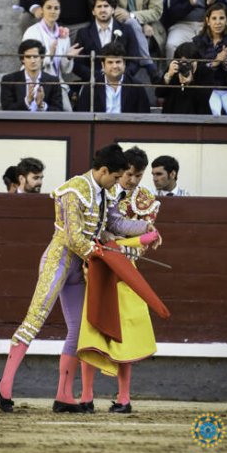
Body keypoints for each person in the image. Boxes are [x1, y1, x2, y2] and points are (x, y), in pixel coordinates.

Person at [0, 143, 153, 413]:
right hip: (59, 260)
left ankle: (64, 396)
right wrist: (100, 251)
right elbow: (73, 236)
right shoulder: (73, 189)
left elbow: (113, 223)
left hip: (81, 266)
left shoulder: (107, 190)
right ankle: (4, 385)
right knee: (35, 319)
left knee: (79, 330)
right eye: (115, 177)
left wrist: (144, 227)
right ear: (103, 170)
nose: (118, 183)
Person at [78, 146, 161, 414]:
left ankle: (124, 398)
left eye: (139, 175)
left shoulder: (147, 201)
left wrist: (130, 240)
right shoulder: (104, 190)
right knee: (92, 329)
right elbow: (98, 229)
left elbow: (136, 245)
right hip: (100, 268)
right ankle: (86, 396)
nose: (132, 180)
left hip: (126, 271)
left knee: (126, 335)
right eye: (128, 174)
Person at [23, 0, 83, 111]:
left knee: (68, 113)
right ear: (42, 10)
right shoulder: (32, 31)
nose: (53, 11)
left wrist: (68, 57)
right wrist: (49, 56)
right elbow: (28, 61)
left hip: (57, 83)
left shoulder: (63, 35)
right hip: (35, 81)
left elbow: (65, 70)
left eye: (56, 8)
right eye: (49, 7)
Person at [73, 0, 140, 82]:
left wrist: (120, 76)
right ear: (93, 11)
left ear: (112, 10)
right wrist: (96, 77)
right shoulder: (83, 33)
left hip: (122, 82)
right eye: (99, 6)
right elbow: (78, 64)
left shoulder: (126, 30)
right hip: (93, 84)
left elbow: (135, 60)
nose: (103, 10)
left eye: (106, 6)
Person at [192, 2, 227, 116]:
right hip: (208, 89)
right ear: (208, 21)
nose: (218, 22)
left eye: (221, 18)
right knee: (215, 113)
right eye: (214, 18)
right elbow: (196, 70)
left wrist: (226, 63)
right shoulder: (198, 42)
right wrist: (215, 62)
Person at [75, 41, 150, 112]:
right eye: (110, 62)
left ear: (124, 64)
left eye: (118, 62)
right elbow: (82, 117)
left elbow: (145, 118)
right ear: (103, 65)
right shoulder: (91, 87)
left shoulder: (137, 87)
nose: (114, 66)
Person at [0, 39, 63, 111]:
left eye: (35, 57)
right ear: (22, 59)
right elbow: (7, 108)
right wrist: (27, 101)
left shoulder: (53, 81)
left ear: (41, 58)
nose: (32, 61)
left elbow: (58, 110)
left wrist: (42, 105)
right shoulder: (9, 80)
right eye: (28, 57)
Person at [156, 41, 213, 114]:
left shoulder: (205, 72)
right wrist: (168, 76)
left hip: (196, 115)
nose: (186, 65)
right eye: (182, 62)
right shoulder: (174, 70)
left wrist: (190, 83)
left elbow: (204, 98)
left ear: (197, 61)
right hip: (173, 114)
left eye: (189, 62)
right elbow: (159, 93)